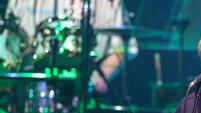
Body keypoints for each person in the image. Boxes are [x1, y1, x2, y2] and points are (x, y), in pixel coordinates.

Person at [4, 0, 137, 94]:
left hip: (87, 96)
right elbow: (7, 52)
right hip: (30, 91)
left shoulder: (110, 2)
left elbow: (124, 48)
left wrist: (96, 81)